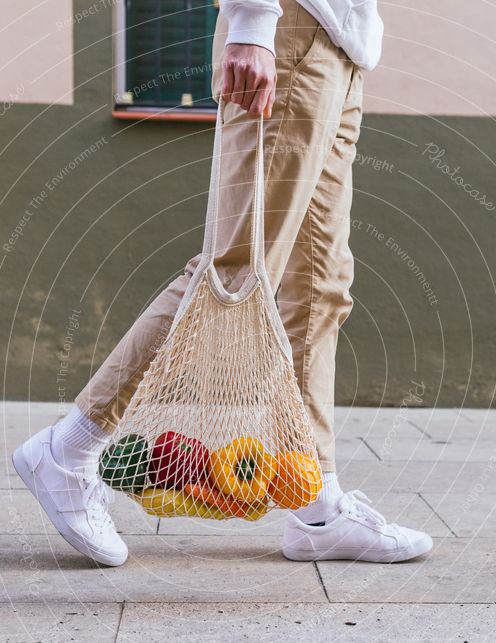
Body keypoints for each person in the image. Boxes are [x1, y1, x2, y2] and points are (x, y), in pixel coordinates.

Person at [12, 0, 433, 566]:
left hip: (343, 47)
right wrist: (253, 21)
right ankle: (68, 449)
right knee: (233, 269)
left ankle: (316, 507)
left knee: (320, 287)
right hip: (287, 31)